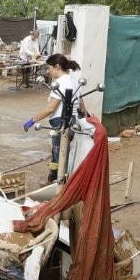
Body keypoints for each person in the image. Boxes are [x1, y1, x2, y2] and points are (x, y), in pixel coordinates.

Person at [23, 54, 89, 183]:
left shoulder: (60, 83)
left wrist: (32, 121)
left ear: (57, 67)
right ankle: (53, 177)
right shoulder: (73, 80)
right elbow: (81, 103)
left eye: (49, 68)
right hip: (73, 121)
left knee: (61, 155)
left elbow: (51, 109)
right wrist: (87, 116)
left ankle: (61, 184)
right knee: (59, 152)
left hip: (61, 123)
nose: (48, 71)